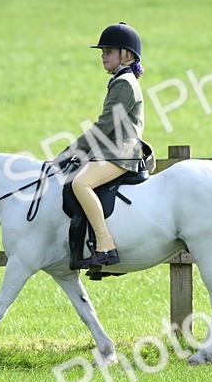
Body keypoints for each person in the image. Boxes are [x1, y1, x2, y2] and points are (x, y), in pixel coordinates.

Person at [53, 22, 153, 268]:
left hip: (121, 154)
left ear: (127, 55)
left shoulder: (125, 83)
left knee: (81, 182)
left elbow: (105, 124)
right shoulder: (120, 80)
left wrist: (71, 151)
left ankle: (105, 243)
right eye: (102, 52)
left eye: (108, 51)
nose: (103, 56)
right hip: (111, 151)